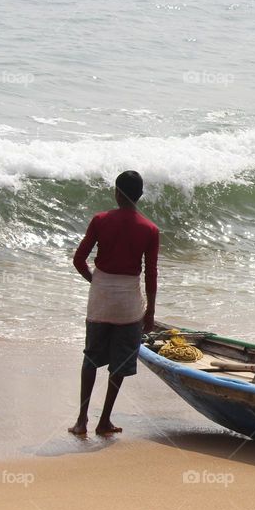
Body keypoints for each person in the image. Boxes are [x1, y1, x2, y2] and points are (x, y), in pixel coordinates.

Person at [68, 171, 159, 437]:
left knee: (90, 359)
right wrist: (150, 311)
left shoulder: (100, 220)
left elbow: (79, 259)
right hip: (129, 304)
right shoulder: (150, 229)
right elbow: (151, 273)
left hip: (101, 300)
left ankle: (82, 421)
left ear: (116, 192)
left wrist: (95, 282)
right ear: (140, 196)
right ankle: (104, 420)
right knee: (119, 363)